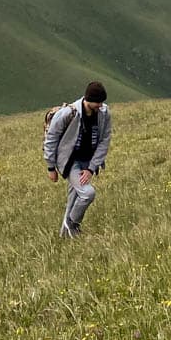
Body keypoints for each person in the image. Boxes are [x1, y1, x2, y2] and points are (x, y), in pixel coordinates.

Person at [44, 81, 112, 237]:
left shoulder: (104, 113)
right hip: (68, 161)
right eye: (97, 102)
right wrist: (50, 167)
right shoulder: (68, 113)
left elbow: (104, 141)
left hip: (87, 162)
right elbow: (51, 138)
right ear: (88, 99)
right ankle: (72, 224)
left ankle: (65, 236)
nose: (100, 105)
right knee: (88, 193)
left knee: (74, 198)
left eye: (102, 102)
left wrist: (91, 168)